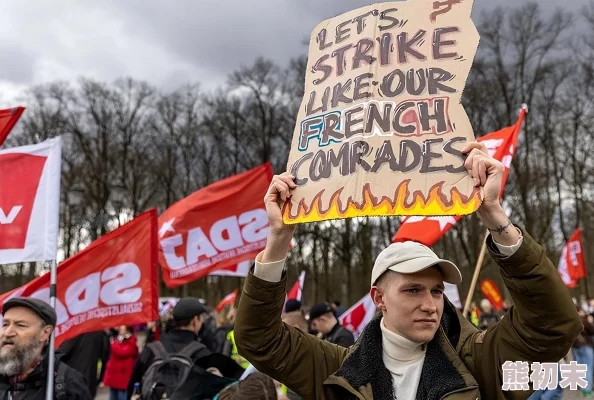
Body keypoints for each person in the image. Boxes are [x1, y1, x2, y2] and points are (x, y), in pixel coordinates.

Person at [234, 141, 582, 399]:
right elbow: (258, 339)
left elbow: (553, 327)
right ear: (379, 297)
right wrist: (278, 239)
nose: (430, 304)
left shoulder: (479, 363)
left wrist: (495, 217)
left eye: (436, 291)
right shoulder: (338, 370)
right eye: (413, 290)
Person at [126, 297, 244, 398]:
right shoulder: (203, 354)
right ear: (195, 320)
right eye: (201, 317)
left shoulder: (151, 349)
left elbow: (133, 387)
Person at [0, 297, 92, 399]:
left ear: (45, 333)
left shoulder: (68, 384)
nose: (7, 333)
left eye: (20, 325)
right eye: (5, 324)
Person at [59, 330, 111, 397]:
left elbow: (62, 353)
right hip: (89, 381)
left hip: (71, 382)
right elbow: (105, 356)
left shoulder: (74, 330)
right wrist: (99, 379)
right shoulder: (99, 331)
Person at [103, 326, 138, 400]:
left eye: (122, 327)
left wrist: (113, 343)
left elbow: (121, 352)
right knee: (113, 395)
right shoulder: (118, 339)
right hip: (114, 374)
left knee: (121, 395)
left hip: (122, 374)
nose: (120, 329)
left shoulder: (131, 341)